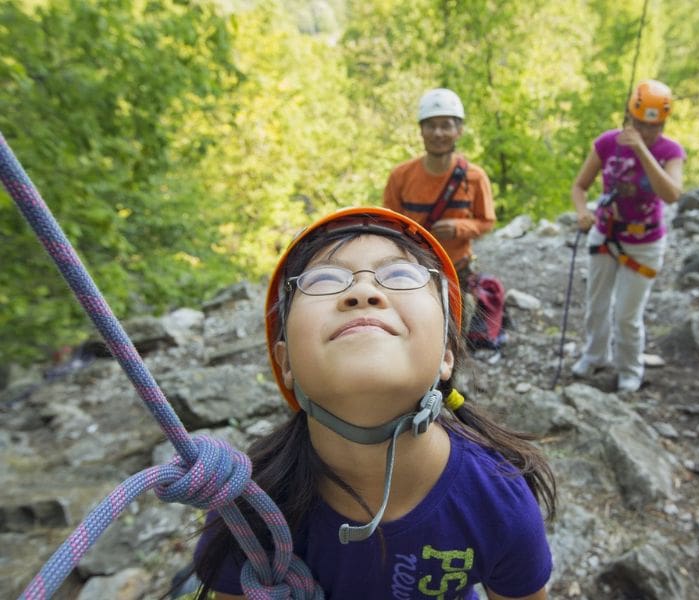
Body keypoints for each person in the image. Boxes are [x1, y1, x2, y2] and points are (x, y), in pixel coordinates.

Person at [192, 207, 556, 599]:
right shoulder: (249, 507)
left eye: (400, 275)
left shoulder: (497, 499)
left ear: (446, 353)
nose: (363, 292)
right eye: (324, 279)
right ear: (286, 363)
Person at [570, 79, 686, 392]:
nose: (647, 132)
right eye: (640, 124)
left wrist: (642, 150)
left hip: (645, 244)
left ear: (663, 122)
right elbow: (580, 186)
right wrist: (583, 212)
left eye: (655, 126)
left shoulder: (670, 151)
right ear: (629, 117)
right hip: (605, 235)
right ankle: (594, 355)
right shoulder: (607, 143)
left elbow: (672, 194)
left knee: (626, 314)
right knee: (597, 304)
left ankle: (629, 368)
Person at [383, 88, 495, 288]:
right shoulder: (400, 176)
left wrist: (459, 228)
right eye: (431, 126)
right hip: (413, 271)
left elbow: (486, 222)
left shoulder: (475, 177)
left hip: (458, 272)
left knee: (463, 319)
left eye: (446, 126)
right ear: (421, 131)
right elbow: (388, 223)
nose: (438, 133)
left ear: (458, 131)